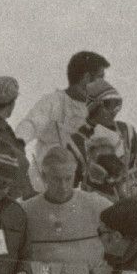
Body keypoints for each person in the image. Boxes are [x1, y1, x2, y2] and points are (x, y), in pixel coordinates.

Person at [68, 79, 137, 239]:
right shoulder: (76, 140)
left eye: (118, 105)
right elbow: (71, 183)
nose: (114, 111)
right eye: (109, 105)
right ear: (93, 107)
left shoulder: (125, 129)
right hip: (104, 200)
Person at [21, 146, 111, 274]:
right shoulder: (26, 210)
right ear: (44, 176)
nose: (63, 186)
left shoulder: (95, 204)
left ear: (75, 174)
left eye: (68, 179)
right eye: (56, 179)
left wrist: (111, 266)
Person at [15, 50, 109, 192]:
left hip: (84, 188)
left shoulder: (96, 109)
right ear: (87, 77)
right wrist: (16, 146)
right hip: (49, 185)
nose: (105, 84)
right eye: (101, 77)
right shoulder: (53, 101)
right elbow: (30, 125)